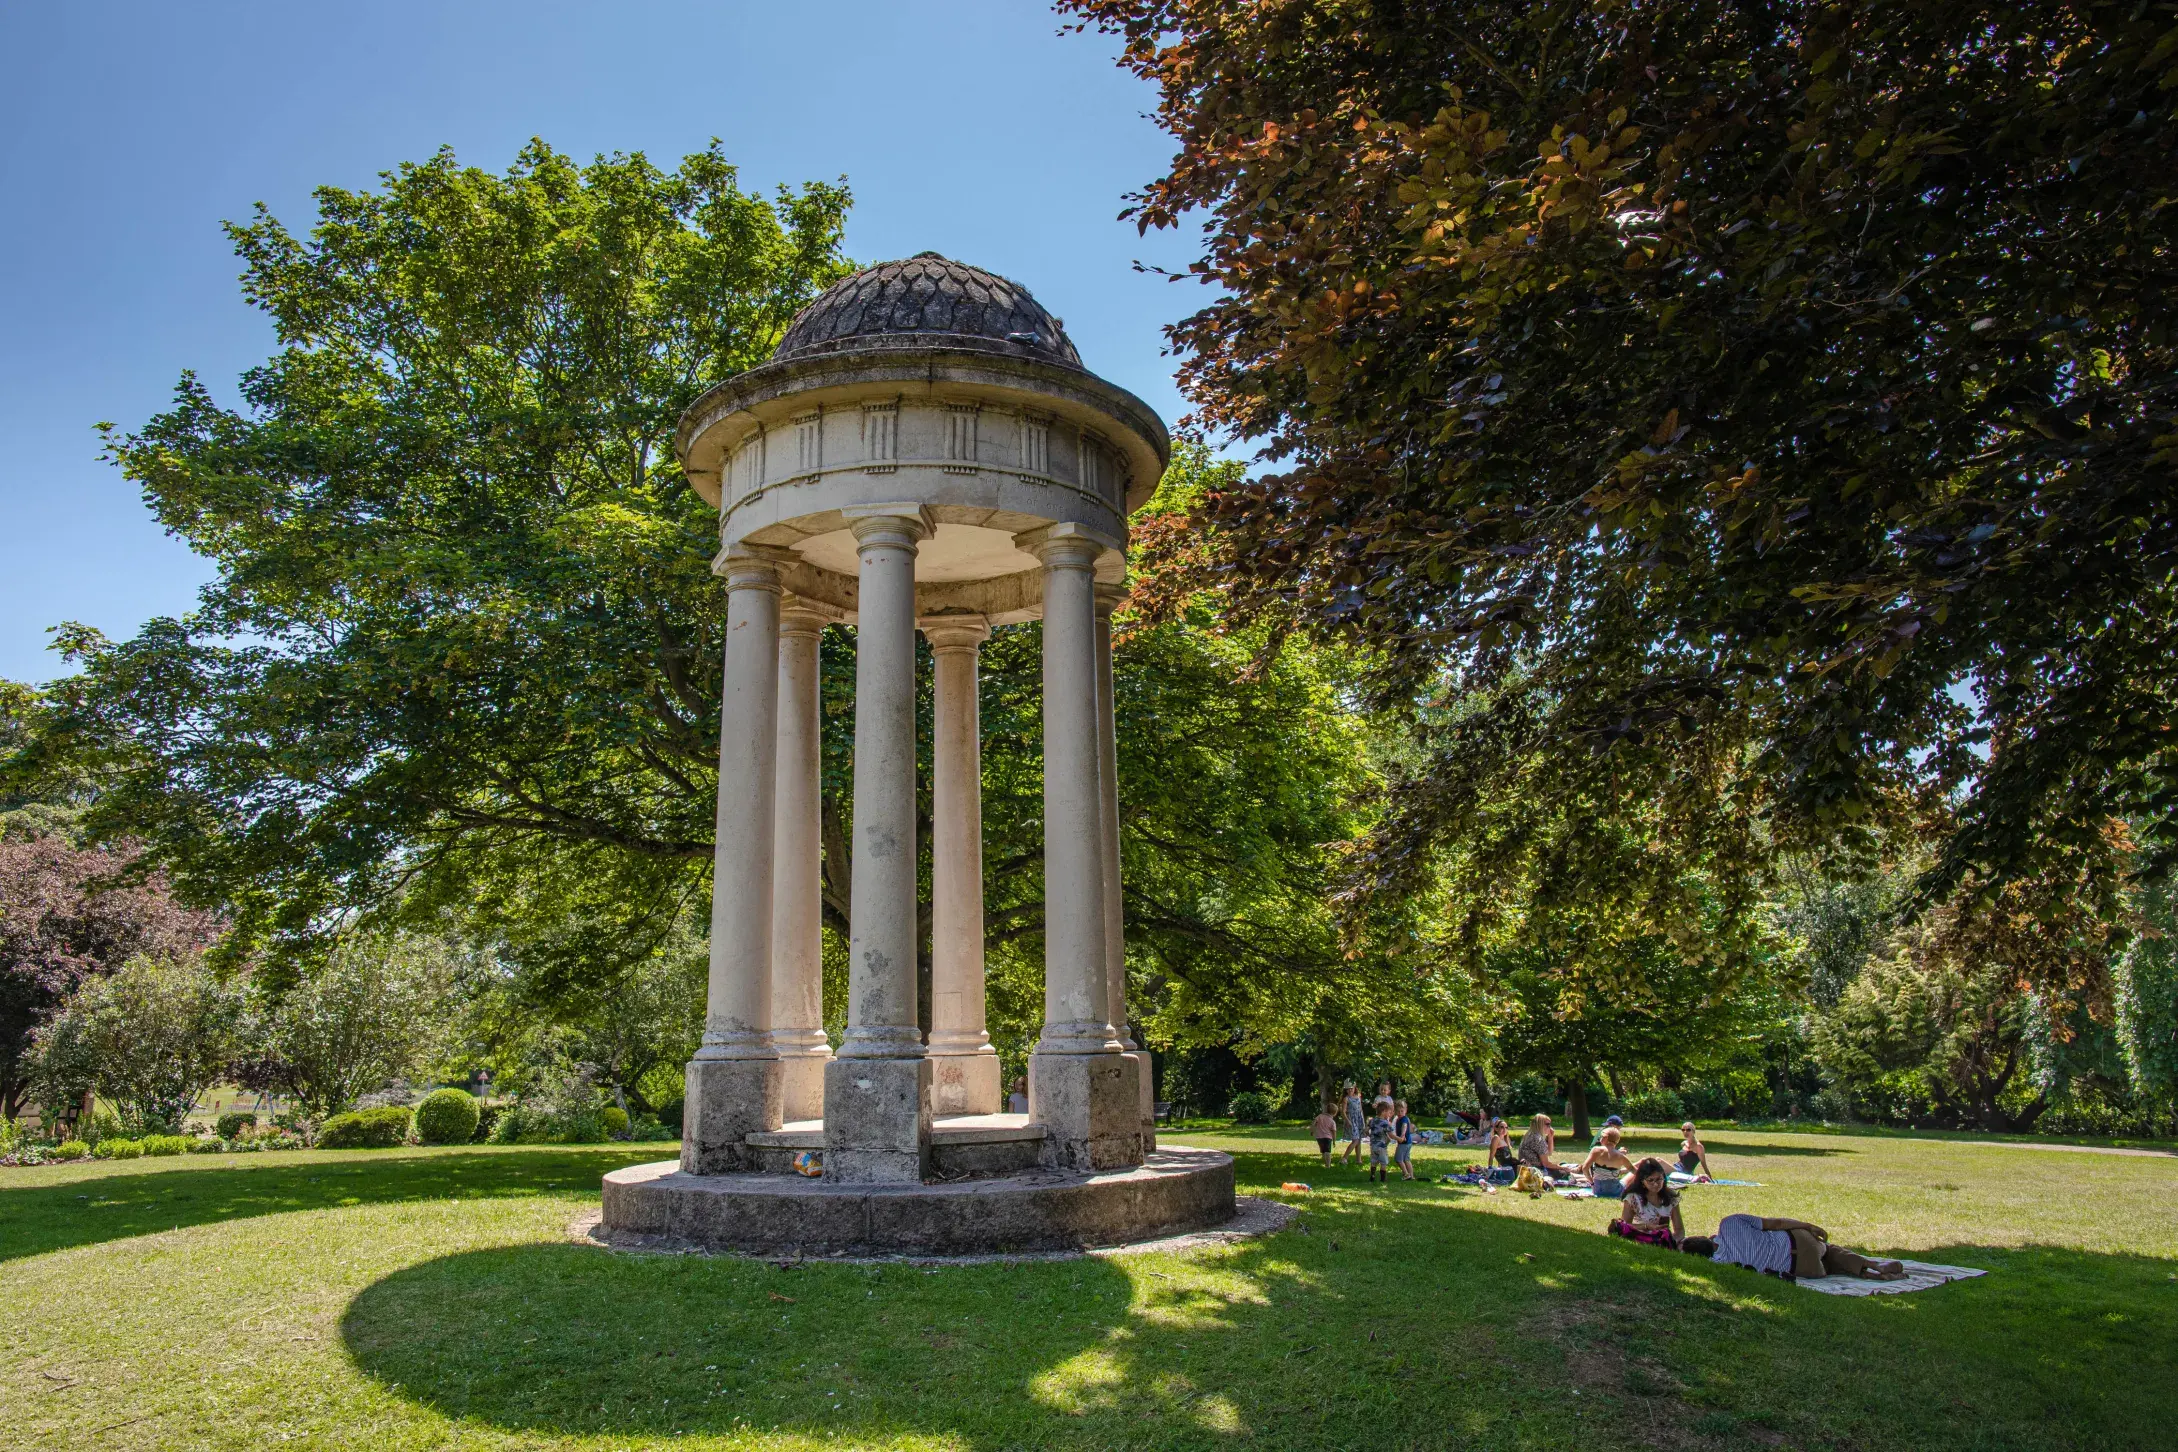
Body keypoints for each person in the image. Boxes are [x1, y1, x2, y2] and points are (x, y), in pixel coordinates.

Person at [1711, 1212, 1906, 1282]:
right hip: (1799, 1242)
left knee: (1829, 1267)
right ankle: (1872, 1265)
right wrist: (1807, 1226)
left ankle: (1871, 1275)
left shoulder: (1720, 1263)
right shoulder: (1731, 1223)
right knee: (1829, 1250)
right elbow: (1776, 1223)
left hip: (1802, 1270)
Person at [1609, 1158, 1684, 1248]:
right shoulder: (1633, 1198)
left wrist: (1671, 1242)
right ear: (1642, 1181)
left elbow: (1679, 1230)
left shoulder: (1671, 1198)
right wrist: (1646, 1226)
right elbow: (1624, 1227)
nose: (1656, 1184)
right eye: (1650, 1180)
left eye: (1659, 1179)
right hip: (1640, 1239)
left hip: (1663, 1240)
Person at [1578, 1126, 1637, 1197]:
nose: (1600, 1138)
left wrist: (1592, 1183)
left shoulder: (1596, 1150)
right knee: (1633, 1174)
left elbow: (1585, 1168)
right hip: (1615, 1191)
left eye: (1601, 1136)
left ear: (1606, 1138)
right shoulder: (1621, 1156)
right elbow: (1634, 1170)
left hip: (1597, 1190)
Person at [1516, 1113, 1572, 1181]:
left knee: (1562, 1166)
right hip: (1535, 1171)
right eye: (1547, 1124)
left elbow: (1549, 1153)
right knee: (1566, 1173)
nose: (1550, 1127)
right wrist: (1562, 1168)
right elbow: (1546, 1163)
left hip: (1527, 1170)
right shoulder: (1537, 1139)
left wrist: (1550, 1137)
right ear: (1539, 1124)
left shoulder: (1530, 1135)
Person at [1366, 1097, 1395, 1184]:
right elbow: (1391, 1134)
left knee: (1374, 1161)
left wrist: (1370, 1135)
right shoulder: (1385, 1123)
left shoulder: (1372, 1120)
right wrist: (1399, 1139)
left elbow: (1366, 1130)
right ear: (1384, 1112)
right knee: (1383, 1162)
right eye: (1389, 1112)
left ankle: (1372, 1176)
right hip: (1381, 1146)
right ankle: (1383, 1179)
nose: (1389, 1115)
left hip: (1373, 1145)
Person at [1342, 1082, 1366, 1167]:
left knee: (1359, 1140)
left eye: (1351, 1088)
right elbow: (1343, 1112)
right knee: (1355, 1140)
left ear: (1354, 1088)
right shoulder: (1346, 1099)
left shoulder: (1358, 1097)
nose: (1349, 1090)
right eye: (1347, 1089)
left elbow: (1361, 1109)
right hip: (1351, 1120)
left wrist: (1363, 1121)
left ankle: (1358, 1160)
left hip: (1359, 1119)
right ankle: (1344, 1158)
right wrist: (1347, 1121)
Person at [1392, 1099, 1416, 1181]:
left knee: (1398, 1159)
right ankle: (1411, 1176)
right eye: (1398, 1111)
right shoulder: (1399, 1118)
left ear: (1405, 1110)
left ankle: (1406, 1174)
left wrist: (1402, 1135)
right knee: (1406, 1159)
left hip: (1404, 1142)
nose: (1400, 1113)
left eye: (1402, 1111)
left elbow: (1404, 1126)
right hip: (1408, 1142)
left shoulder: (1404, 1119)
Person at [1311, 1101, 1339, 1169]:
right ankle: (1328, 1165)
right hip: (1327, 1138)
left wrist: (1312, 1130)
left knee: (1323, 1151)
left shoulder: (1320, 1116)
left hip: (1319, 1137)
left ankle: (1325, 1162)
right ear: (1334, 1113)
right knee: (1328, 1151)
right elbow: (1334, 1132)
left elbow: (1314, 1122)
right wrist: (1334, 1141)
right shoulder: (1332, 1122)